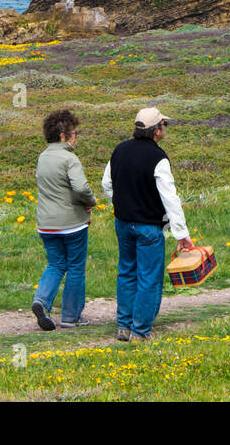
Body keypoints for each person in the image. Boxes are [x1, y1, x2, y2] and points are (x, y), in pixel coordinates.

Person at [101, 107, 192, 342]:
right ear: (156, 130)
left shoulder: (119, 150)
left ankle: (124, 325)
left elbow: (106, 184)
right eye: (164, 125)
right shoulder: (158, 158)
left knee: (127, 272)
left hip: (123, 223)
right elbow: (169, 198)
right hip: (149, 226)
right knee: (148, 277)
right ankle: (140, 331)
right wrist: (181, 233)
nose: (165, 129)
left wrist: (121, 203)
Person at [31, 109, 97, 331]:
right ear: (62, 136)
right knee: (76, 267)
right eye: (74, 133)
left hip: (46, 224)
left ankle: (41, 300)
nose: (75, 137)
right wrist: (91, 200)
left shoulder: (42, 157)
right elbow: (79, 187)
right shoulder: (70, 158)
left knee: (56, 264)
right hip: (72, 224)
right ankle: (71, 317)